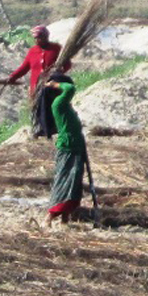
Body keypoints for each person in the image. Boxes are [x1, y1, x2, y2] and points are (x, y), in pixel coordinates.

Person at [46, 74, 88, 225]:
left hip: (76, 146)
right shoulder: (58, 104)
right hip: (67, 147)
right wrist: (54, 84)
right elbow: (70, 88)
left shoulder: (66, 106)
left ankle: (65, 218)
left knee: (74, 182)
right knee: (64, 180)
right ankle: (49, 217)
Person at [5, 25, 71, 106]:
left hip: (54, 88)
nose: (37, 40)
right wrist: (13, 77)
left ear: (46, 36)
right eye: (35, 38)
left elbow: (67, 64)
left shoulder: (56, 48)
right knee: (39, 114)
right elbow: (24, 68)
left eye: (39, 37)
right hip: (36, 90)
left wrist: (58, 72)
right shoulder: (32, 51)